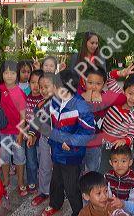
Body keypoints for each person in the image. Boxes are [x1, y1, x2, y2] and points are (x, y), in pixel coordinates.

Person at [41, 70, 96, 216]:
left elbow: (89, 130)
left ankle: (78, 211)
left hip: (72, 155)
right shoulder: (54, 101)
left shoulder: (80, 105)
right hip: (56, 151)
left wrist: (72, 142)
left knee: (71, 186)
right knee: (56, 181)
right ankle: (55, 203)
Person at [81, 65, 134, 172]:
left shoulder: (106, 97)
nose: (94, 87)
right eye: (90, 83)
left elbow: (123, 98)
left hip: (95, 144)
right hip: (78, 143)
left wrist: (118, 74)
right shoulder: (79, 97)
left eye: (98, 84)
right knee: (77, 170)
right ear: (84, 82)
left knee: (92, 170)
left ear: (104, 85)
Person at [99, 75, 134, 174]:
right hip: (104, 144)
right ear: (123, 90)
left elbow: (133, 135)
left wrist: (124, 140)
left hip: (120, 150)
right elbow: (109, 78)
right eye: (130, 93)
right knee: (103, 171)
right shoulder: (117, 95)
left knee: (119, 174)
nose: (133, 98)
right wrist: (120, 73)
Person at [0, 60, 28, 196]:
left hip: (17, 132)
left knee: (19, 157)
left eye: (12, 73)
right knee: (4, 157)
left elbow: (23, 115)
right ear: (2, 74)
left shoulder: (19, 92)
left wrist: (21, 133)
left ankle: (21, 182)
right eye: (6, 72)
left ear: (17, 74)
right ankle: (6, 180)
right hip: (3, 131)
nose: (9, 76)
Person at [28, 73, 57, 206]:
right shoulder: (40, 104)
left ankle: (60, 191)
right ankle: (44, 192)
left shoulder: (61, 103)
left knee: (60, 168)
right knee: (44, 166)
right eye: (41, 87)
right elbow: (36, 122)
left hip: (59, 142)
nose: (43, 90)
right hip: (45, 140)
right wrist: (32, 135)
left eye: (46, 86)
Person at [24, 69, 44, 194]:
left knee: (42, 161)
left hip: (41, 136)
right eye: (32, 82)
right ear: (28, 83)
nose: (35, 86)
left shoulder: (45, 99)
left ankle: (42, 182)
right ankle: (31, 181)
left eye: (38, 83)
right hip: (29, 136)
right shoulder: (25, 97)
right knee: (31, 160)